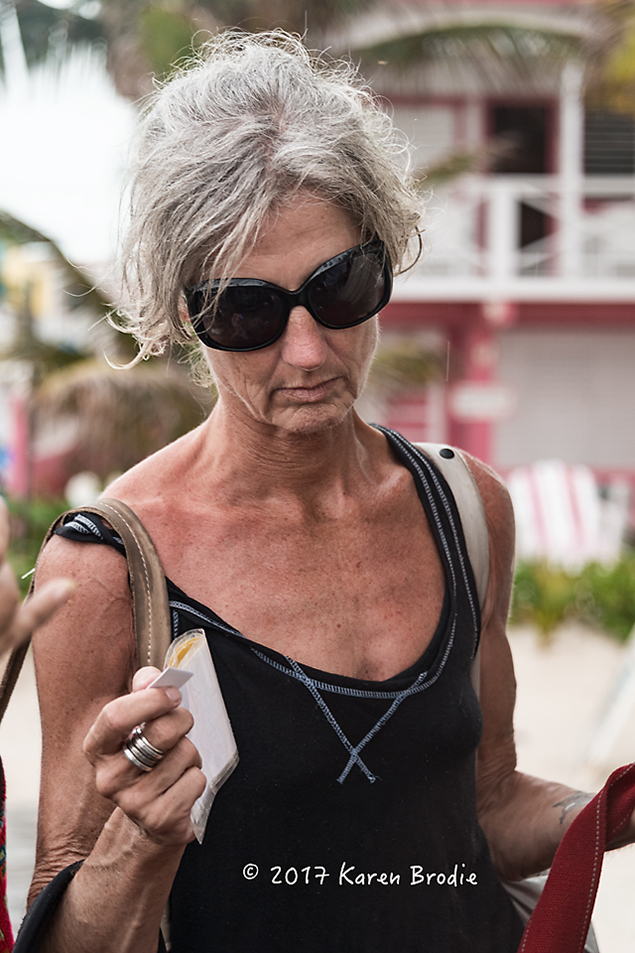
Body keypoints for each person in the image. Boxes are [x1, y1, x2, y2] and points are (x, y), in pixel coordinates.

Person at [26, 31, 634, 953]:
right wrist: (140, 838)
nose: (307, 350)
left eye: (339, 286)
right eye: (247, 309)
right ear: (185, 319)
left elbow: (485, 805)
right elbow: (63, 925)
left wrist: (609, 806)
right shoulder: (104, 568)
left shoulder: (466, 508)